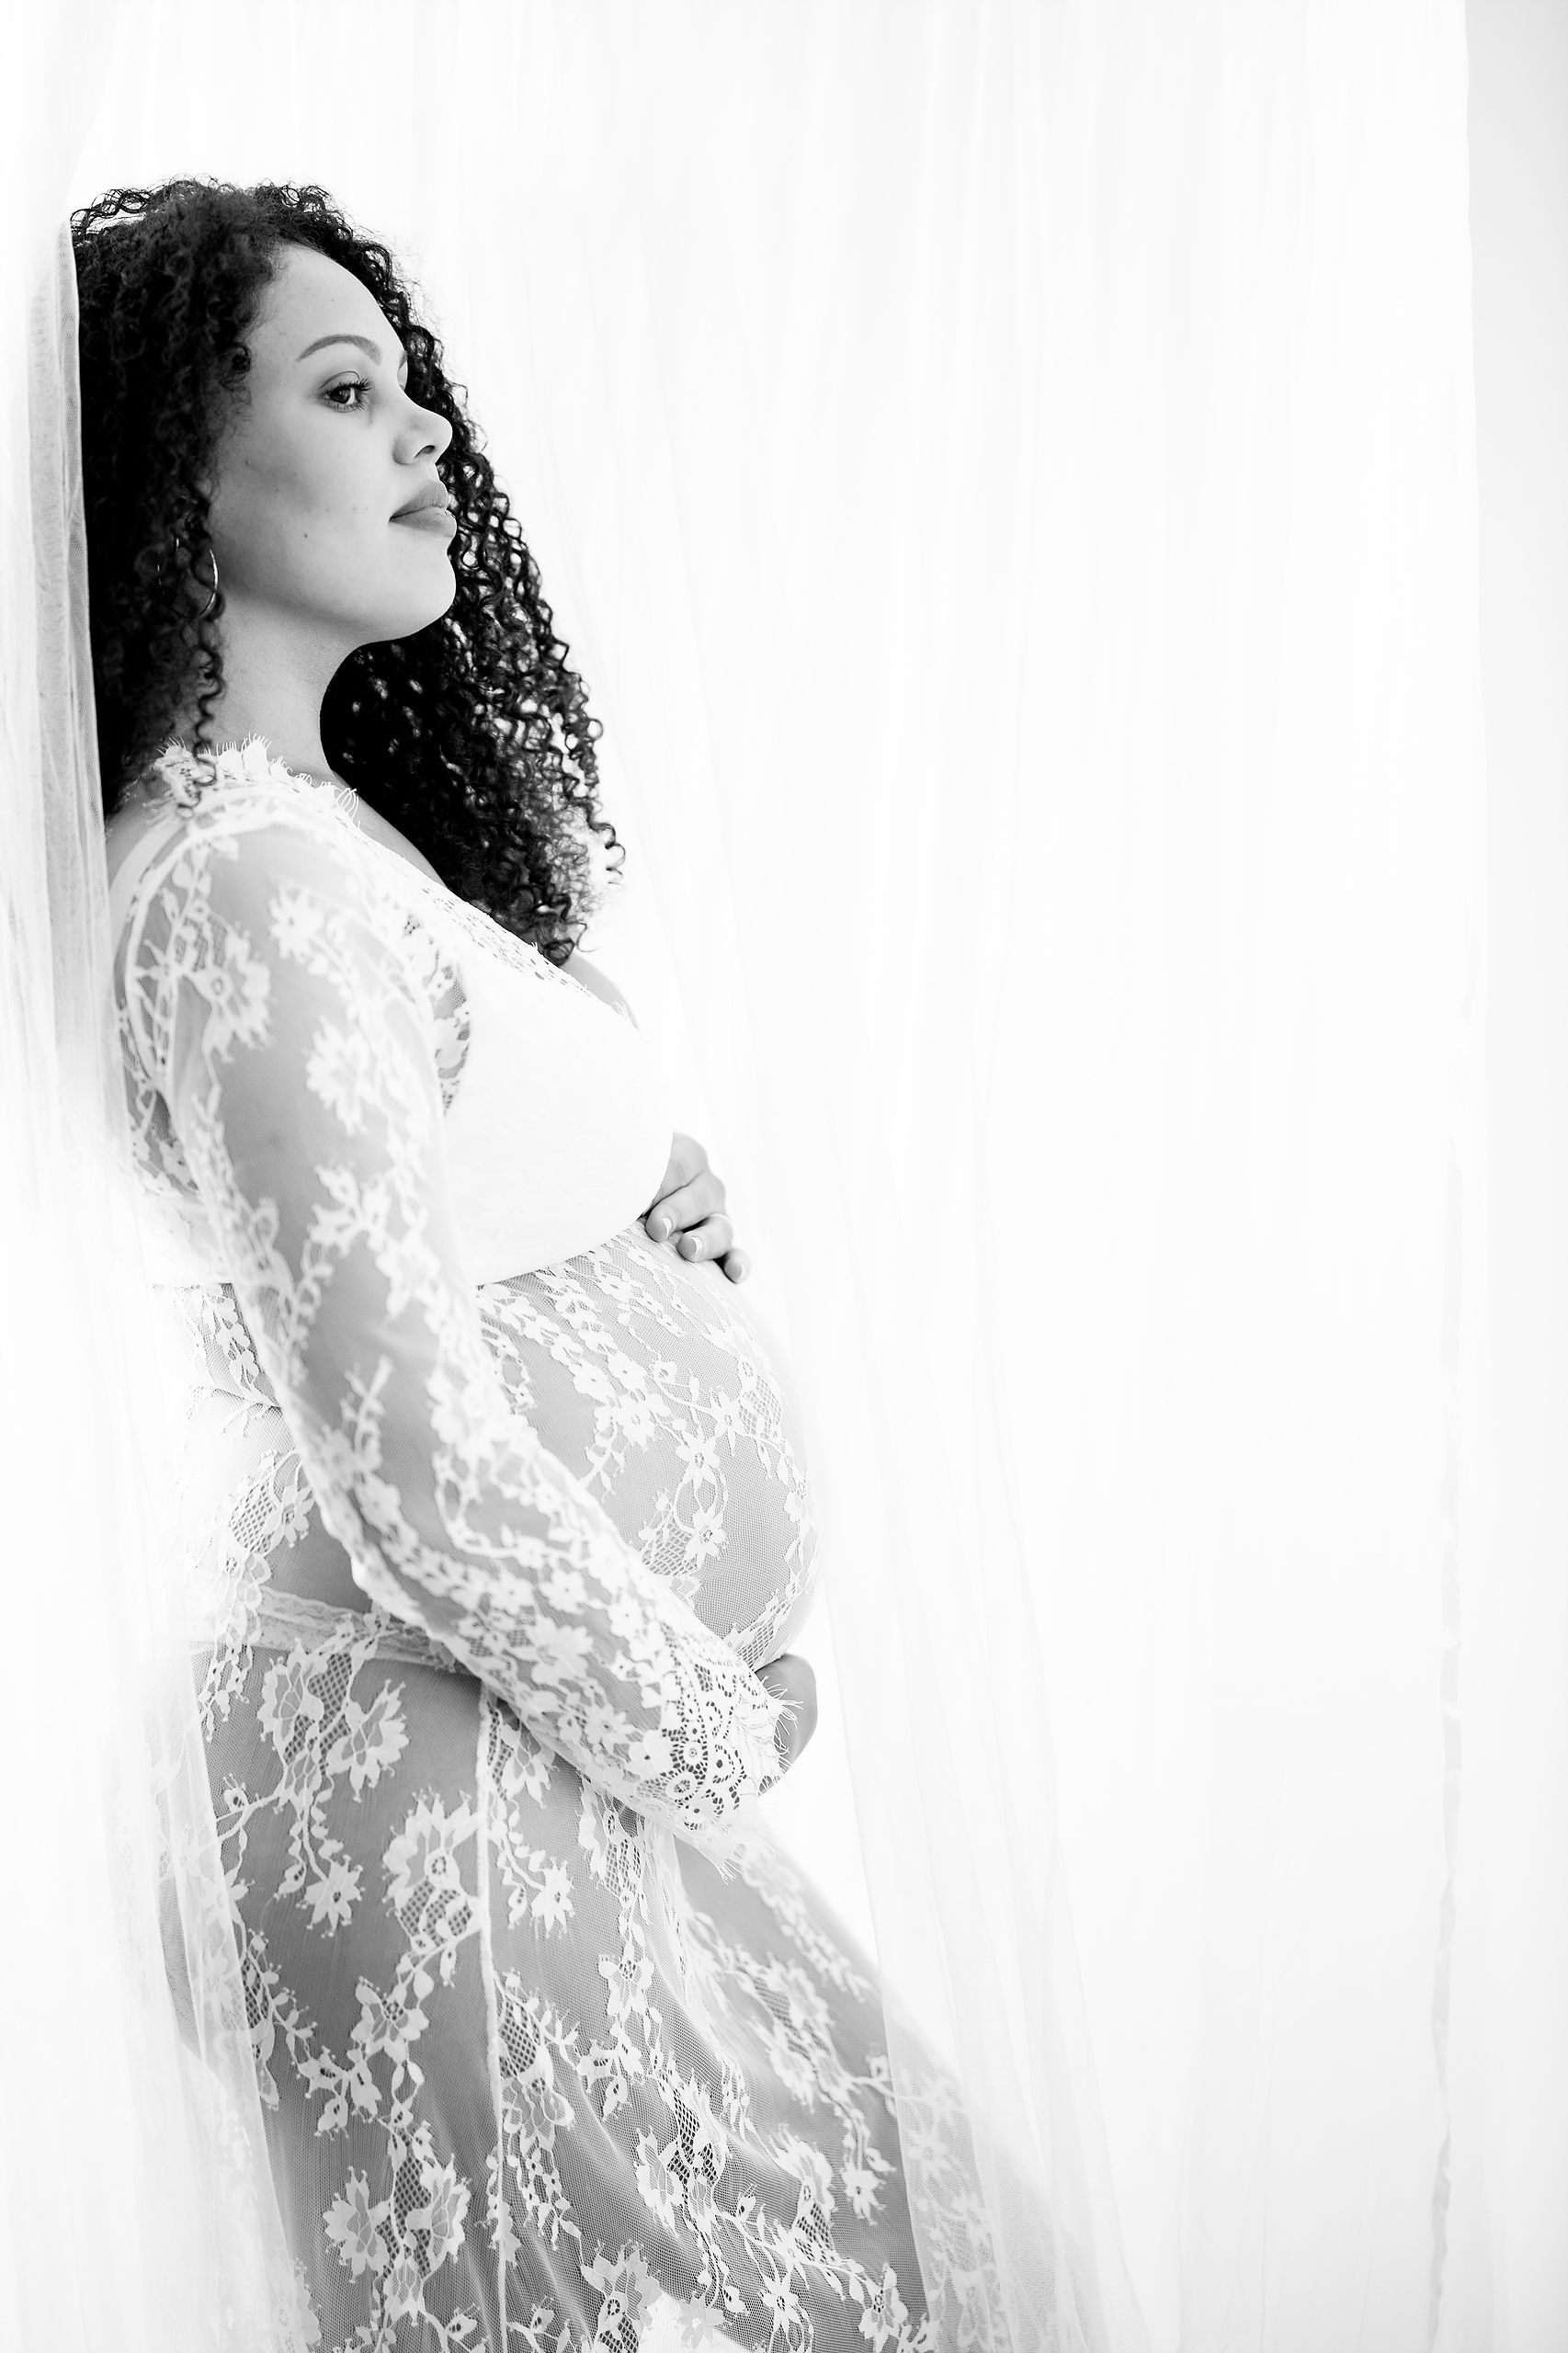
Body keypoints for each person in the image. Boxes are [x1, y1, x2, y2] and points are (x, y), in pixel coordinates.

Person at [74, 176, 942, 2351]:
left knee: (948, 2272)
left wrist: (650, 1175)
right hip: (436, 1780)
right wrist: (721, 1733)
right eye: (342, 389)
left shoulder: (329, 838)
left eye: (413, 387)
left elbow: (439, 1195)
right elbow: (416, 1466)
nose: (426, 432)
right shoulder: (241, 883)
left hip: (534, 1760)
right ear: (175, 463)